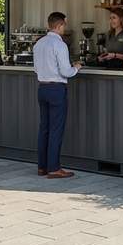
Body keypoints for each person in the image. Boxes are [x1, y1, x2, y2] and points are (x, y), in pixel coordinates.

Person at [33, 12, 80, 179]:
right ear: (60, 25)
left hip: (42, 89)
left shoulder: (38, 44)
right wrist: (76, 67)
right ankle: (54, 168)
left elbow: (37, 70)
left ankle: (42, 167)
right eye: (64, 25)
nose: (64, 28)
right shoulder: (60, 45)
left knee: (44, 128)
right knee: (55, 130)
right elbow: (66, 71)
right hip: (57, 90)